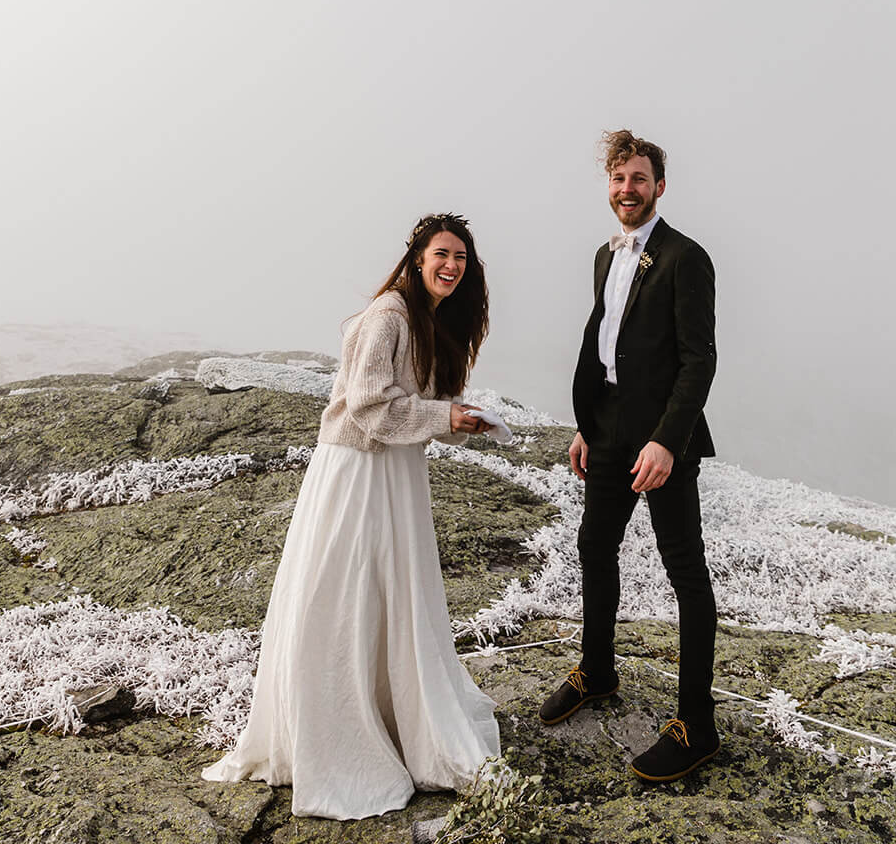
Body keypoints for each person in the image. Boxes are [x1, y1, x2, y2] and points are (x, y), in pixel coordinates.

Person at [203, 213, 501, 818]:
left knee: (388, 595)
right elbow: (368, 407)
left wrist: (455, 417)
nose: (451, 266)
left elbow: (405, 403)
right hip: (359, 472)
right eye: (442, 254)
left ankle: (390, 717)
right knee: (346, 596)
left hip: (393, 471)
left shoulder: (425, 319)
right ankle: (339, 738)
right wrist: (446, 419)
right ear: (417, 258)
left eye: (461, 259)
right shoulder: (390, 315)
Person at [539, 130, 720, 781]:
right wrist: (590, 425)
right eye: (618, 179)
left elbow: (699, 359)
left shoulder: (684, 258)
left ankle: (695, 727)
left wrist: (667, 442)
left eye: (638, 179)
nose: (626, 190)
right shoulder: (603, 255)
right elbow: (605, 350)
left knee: (685, 576)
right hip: (609, 432)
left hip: (661, 443)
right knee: (594, 546)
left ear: (658, 186)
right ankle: (597, 670)